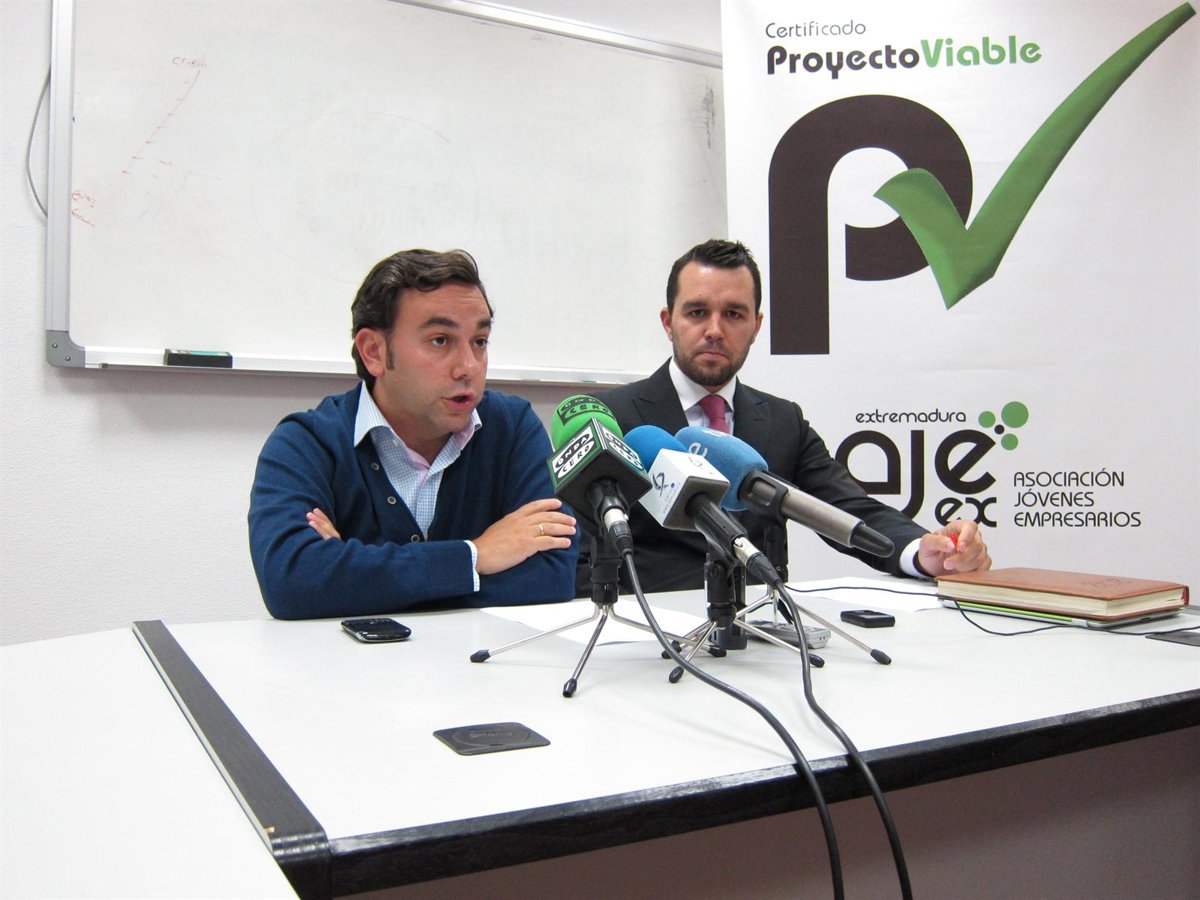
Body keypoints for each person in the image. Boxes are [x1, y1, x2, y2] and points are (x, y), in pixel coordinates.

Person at [584, 238, 991, 594]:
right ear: (668, 322)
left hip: (766, 635)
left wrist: (922, 552)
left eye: (734, 314)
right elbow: (585, 554)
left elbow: (847, 509)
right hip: (651, 636)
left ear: (756, 325)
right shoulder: (612, 417)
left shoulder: (783, 421)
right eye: (697, 312)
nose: (714, 330)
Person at [249, 248, 578, 620]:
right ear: (374, 352)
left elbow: (554, 575)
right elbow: (292, 581)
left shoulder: (513, 429)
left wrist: (355, 579)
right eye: (440, 340)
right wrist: (474, 556)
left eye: (479, 342)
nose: (468, 367)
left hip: (483, 657)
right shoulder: (307, 443)